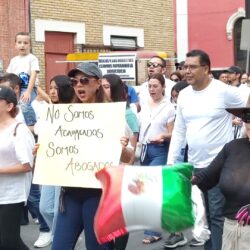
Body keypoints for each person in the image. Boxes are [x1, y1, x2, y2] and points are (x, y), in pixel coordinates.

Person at [166, 50, 247, 250]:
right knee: (202, 217)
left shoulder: (223, 91)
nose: (187, 71)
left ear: (206, 69)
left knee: (217, 217)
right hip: (194, 166)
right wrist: (171, 162)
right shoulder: (184, 95)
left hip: (219, 166)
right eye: (185, 66)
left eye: (192, 67)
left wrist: (244, 138)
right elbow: (179, 131)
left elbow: (246, 107)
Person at [51, 62, 131, 250]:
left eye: (84, 80)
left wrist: (123, 148)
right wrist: (45, 149)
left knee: (97, 247)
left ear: (97, 84)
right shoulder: (65, 116)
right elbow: (58, 151)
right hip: (70, 193)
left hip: (98, 194)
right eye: (74, 81)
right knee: (59, 246)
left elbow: (128, 158)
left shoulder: (112, 115)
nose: (79, 85)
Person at [192, 107, 250, 250]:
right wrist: (181, 178)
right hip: (230, 231)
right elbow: (205, 178)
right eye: (248, 118)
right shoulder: (233, 147)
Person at [33, 75, 75, 248]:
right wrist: (38, 148)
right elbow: (41, 134)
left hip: (66, 165)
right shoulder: (47, 111)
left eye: (56, 88)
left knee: (60, 211)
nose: (52, 91)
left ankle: (60, 241)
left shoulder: (74, 111)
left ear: (65, 90)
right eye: (50, 87)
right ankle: (61, 235)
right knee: (45, 208)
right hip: (49, 164)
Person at [138, 73, 175, 244]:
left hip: (160, 150)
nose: (152, 89)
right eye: (149, 86)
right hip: (145, 150)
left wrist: (163, 136)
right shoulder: (144, 106)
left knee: (151, 189)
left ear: (162, 87)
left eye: (155, 86)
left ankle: (153, 231)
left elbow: (173, 133)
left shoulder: (169, 107)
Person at [0, 85, 35, 250]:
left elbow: (27, 165)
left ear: (9, 106)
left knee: (8, 241)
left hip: (11, 194)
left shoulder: (19, 130)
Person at [7, 31, 39, 127]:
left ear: (30, 45)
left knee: (25, 104)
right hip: (16, 88)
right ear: (15, 45)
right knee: (11, 105)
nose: (22, 45)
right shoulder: (13, 60)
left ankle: (32, 125)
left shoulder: (32, 58)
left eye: (25, 43)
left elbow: (33, 75)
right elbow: (9, 76)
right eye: (19, 42)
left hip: (28, 87)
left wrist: (28, 91)